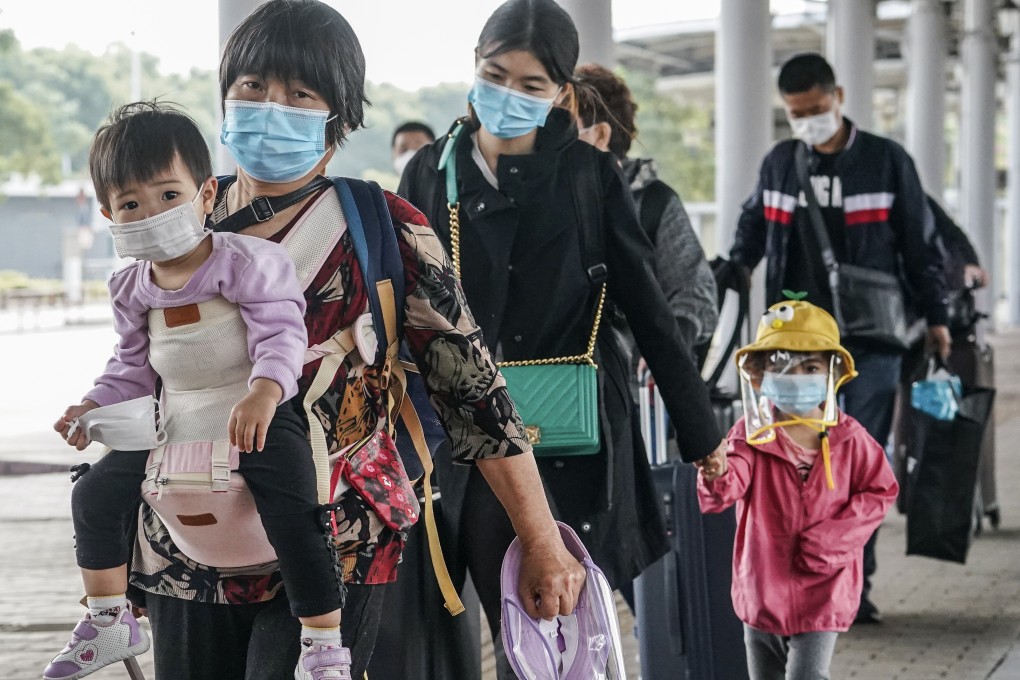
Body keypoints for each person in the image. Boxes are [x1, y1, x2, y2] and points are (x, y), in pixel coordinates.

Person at [121, 2, 585, 678]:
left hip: (339, 541)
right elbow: (142, 373)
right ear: (225, 99)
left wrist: (542, 539)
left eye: (299, 94)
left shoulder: (384, 228)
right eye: (252, 87)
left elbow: (477, 397)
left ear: (337, 120)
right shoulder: (178, 218)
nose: (269, 106)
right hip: (190, 538)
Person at [397, 1, 727, 675]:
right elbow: (400, 308)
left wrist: (704, 436)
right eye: (496, 75)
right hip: (473, 444)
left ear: (562, 93)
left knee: (581, 628)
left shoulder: (589, 174)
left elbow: (650, 309)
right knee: (517, 622)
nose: (509, 95)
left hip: (580, 437)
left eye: (531, 85)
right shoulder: (432, 171)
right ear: (474, 69)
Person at [46, 102, 350, 679]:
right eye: (131, 203)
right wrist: (92, 407)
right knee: (94, 494)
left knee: (297, 512)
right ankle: (110, 618)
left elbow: (283, 337)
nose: (151, 212)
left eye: (167, 196)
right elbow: (131, 367)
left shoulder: (248, 262)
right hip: (176, 418)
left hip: (255, 409)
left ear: (206, 193)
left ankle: (322, 646)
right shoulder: (131, 286)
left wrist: (265, 392)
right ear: (110, 213)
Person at [729, 52, 949, 625]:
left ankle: (854, 587)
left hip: (867, 343)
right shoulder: (781, 162)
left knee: (852, 467)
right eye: (796, 113)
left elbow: (921, 246)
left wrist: (939, 317)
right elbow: (753, 227)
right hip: (791, 352)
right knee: (791, 470)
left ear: (840, 96)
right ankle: (793, 589)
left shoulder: (885, 161)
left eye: (816, 109)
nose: (807, 121)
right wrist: (734, 266)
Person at [698, 298, 898, 680]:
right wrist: (715, 469)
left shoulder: (851, 440)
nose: (797, 376)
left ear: (832, 373)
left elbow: (879, 492)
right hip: (763, 587)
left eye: (811, 367)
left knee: (808, 676)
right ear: (759, 374)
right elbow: (727, 487)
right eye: (782, 365)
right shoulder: (749, 436)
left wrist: (831, 541)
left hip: (826, 588)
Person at [572, 63, 717, 356]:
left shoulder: (655, 203)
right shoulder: (549, 200)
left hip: (634, 387)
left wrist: (665, 349)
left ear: (600, 135)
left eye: (563, 127)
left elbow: (696, 295)